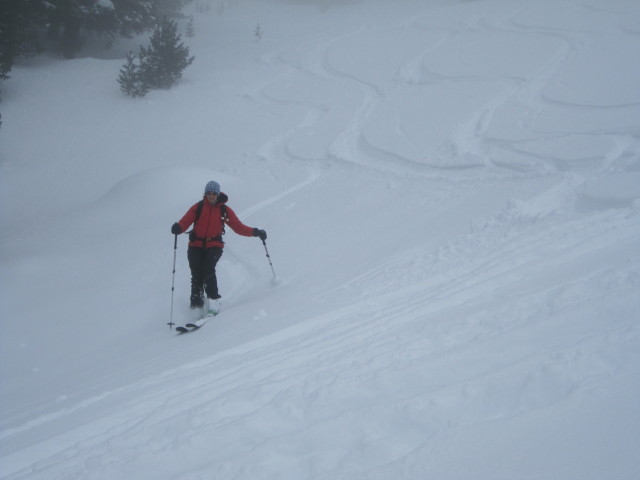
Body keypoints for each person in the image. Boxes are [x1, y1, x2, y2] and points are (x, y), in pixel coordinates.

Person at [171, 180, 267, 316]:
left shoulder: (224, 210)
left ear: (218, 194)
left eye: (214, 193)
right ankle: (196, 305)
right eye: (208, 193)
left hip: (214, 245)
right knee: (196, 274)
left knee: (208, 270)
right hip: (195, 245)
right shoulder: (198, 207)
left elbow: (238, 227)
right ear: (205, 194)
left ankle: (214, 302)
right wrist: (178, 228)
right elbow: (185, 221)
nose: (211, 196)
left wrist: (255, 232)